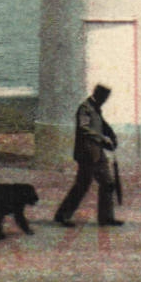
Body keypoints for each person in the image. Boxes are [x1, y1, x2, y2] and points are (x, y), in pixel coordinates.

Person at [53, 84, 123, 227]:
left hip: (98, 153)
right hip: (86, 154)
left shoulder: (96, 108)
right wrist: (102, 139)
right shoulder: (85, 108)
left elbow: (103, 125)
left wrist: (111, 136)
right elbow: (83, 128)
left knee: (108, 184)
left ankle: (106, 218)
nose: (105, 100)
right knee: (82, 186)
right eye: (104, 97)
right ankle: (62, 215)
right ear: (97, 94)